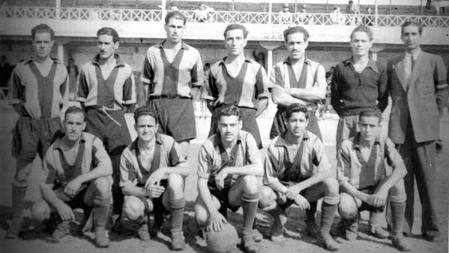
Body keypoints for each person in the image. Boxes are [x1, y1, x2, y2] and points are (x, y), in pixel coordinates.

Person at [7, 23, 69, 239]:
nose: (42, 46)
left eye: (46, 42)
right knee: (22, 174)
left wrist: (50, 116)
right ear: (32, 43)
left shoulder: (61, 68)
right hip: (28, 126)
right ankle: (16, 220)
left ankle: (55, 218)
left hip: (52, 126)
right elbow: (14, 99)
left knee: (55, 173)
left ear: (52, 43)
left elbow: (63, 100)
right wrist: (28, 115)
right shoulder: (21, 68)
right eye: (38, 42)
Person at [387, 21, 448, 241]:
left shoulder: (435, 61)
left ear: (420, 36)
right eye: (406, 34)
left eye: (414, 34)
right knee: (401, 180)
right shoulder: (392, 63)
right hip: (400, 130)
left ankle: (431, 229)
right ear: (401, 37)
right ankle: (401, 227)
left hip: (425, 132)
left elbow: (441, 96)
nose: (410, 38)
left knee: (427, 181)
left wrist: (430, 119)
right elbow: (387, 96)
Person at [259, 104, 340, 251]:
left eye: (301, 121)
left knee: (332, 185)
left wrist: (298, 188)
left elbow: (326, 171)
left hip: (306, 190)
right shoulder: (274, 145)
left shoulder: (314, 141)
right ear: (286, 122)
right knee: (263, 195)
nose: (297, 125)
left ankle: (323, 232)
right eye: (293, 120)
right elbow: (269, 179)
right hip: (283, 191)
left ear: (307, 122)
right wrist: (292, 194)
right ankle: (278, 219)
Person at [30, 106, 112, 247]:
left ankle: (99, 230)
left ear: (84, 125)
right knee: (38, 211)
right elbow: (44, 186)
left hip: (88, 193)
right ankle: (63, 221)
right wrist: (59, 205)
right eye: (70, 123)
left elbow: (107, 167)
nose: (74, 128)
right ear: (63, 124)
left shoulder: (92, 141)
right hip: (66, 194)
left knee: (103, 183)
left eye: (78, 124)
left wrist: (79, 179)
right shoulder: (53, 150)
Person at [77, 27, 136, 217]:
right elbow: (81, 98)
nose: (102, 47)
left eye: (107, 43)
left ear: (116, 45)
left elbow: (130, 103)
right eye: (100, 43)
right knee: (90, 167)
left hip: (116, 120)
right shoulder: (86, 68)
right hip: (93, 118)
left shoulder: (126, 70)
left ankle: (117, 215)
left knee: (119, 169)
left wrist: (113, 113)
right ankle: (90, 215)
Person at [336, 109, 409, 251]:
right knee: (345, 205)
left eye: (372, 126)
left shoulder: (384, 142)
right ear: (358, 125)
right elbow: (342, 181)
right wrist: (366, 197)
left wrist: (383, 190)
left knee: (398, 183)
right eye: (364, 125)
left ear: (379, 127)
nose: (367, 130)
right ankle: (351, 223)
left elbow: (401, 169)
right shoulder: (346, 145)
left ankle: (396, 234)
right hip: (355, 193)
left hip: (376, 191)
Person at [194, 105, 263, 253]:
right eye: (224, 125)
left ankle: (247, 234)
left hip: (235, 192)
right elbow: (201, 183)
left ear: (240, 125)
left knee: (250, 180)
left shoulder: (247, 138)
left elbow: (259, 168)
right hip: (215, 193)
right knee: (201, 216)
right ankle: (214, 222)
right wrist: (212, 212)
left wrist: (229, 169)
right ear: (218, 125)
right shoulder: (208, 145)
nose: (228, 130)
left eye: (232, 125)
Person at [119, 106, 190, 250]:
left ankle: (176, 232)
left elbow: (187, 169)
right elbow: (125, 187)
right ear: (135, 127)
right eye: (142, 126)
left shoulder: (168, 142)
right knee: (131, 206)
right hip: (147, 197)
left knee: (175, 178)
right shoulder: (128, 152)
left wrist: (164, 170)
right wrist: (146, 193)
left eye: (150, 126)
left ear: (156, 126)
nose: (146, 130)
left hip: (167, 197)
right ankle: (144, 222)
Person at [142, 10, 204, 152]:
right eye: (172, 26)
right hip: (157, 104)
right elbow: (146, 83)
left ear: (184, 28)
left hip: (182, 106)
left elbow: (197, 85)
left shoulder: (193, 53)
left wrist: (186, 103)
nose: (175, 31)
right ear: (165, 27)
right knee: (157, 153)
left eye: (179, 27)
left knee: (181, 156)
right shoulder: (152, 51)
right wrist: (148, 106)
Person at [202, 24, 270, 149]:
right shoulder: (215, 69)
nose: (234, 43)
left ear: (245, 42)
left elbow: (264, 99)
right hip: (221, 120)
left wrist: (248, 116)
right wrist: (221, 114)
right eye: (230, 39)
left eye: (238, 38)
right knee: (217, 159)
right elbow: (209, 99)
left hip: (247, 120)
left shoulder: (256, 68)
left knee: (250, 161)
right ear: (225, 42)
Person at [331, 25, 388, 153]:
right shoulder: (341, 67)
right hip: (347, 120)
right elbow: (334, 98)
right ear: (351, 43)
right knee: (345, 161)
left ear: (370, 43)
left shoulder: (379, 68)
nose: (359, 44)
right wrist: (345, 115)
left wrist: (374, 117)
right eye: (356, 41)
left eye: (363, 41)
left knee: (371, 160)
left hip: (370, 121)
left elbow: (383, 99)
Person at [269, 26, 327, 140]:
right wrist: (307, 104)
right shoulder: (278, 68)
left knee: (311, 155)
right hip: (284, 119)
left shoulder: (316, 68)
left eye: (299, 43)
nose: (295, 47)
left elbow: (320, 93)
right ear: (286, 44)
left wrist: (290, 91)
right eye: (291, 43)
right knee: (280, 156)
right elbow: (278, 98)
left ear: (306, 43)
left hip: (308, 119)